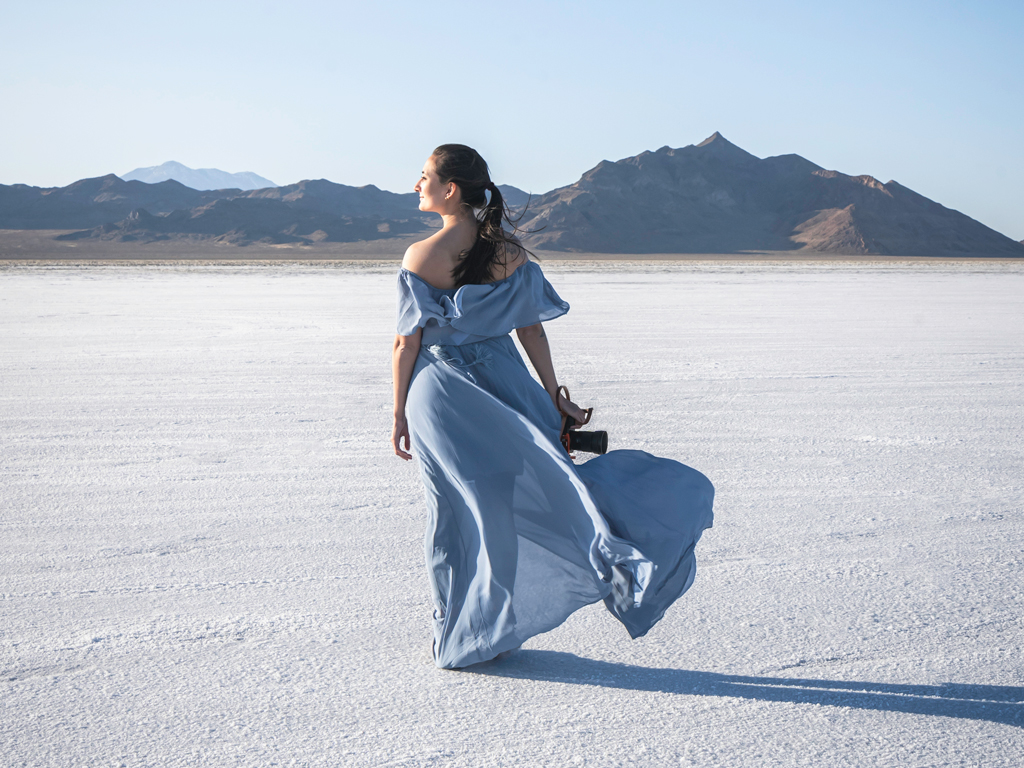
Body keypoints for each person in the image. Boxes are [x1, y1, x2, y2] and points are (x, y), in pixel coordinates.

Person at [391, 144, 714, 670]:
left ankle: (462, 634)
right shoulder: (510, 253)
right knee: (515, 501)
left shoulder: (420, 256)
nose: (416, 184)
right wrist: (551, 393)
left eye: (423, 176)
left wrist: (399, 413)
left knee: (454, 512)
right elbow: (531, 328)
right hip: (506, 382)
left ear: (450, 189)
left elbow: (406, 344)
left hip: (444, 396)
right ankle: (497, 628)